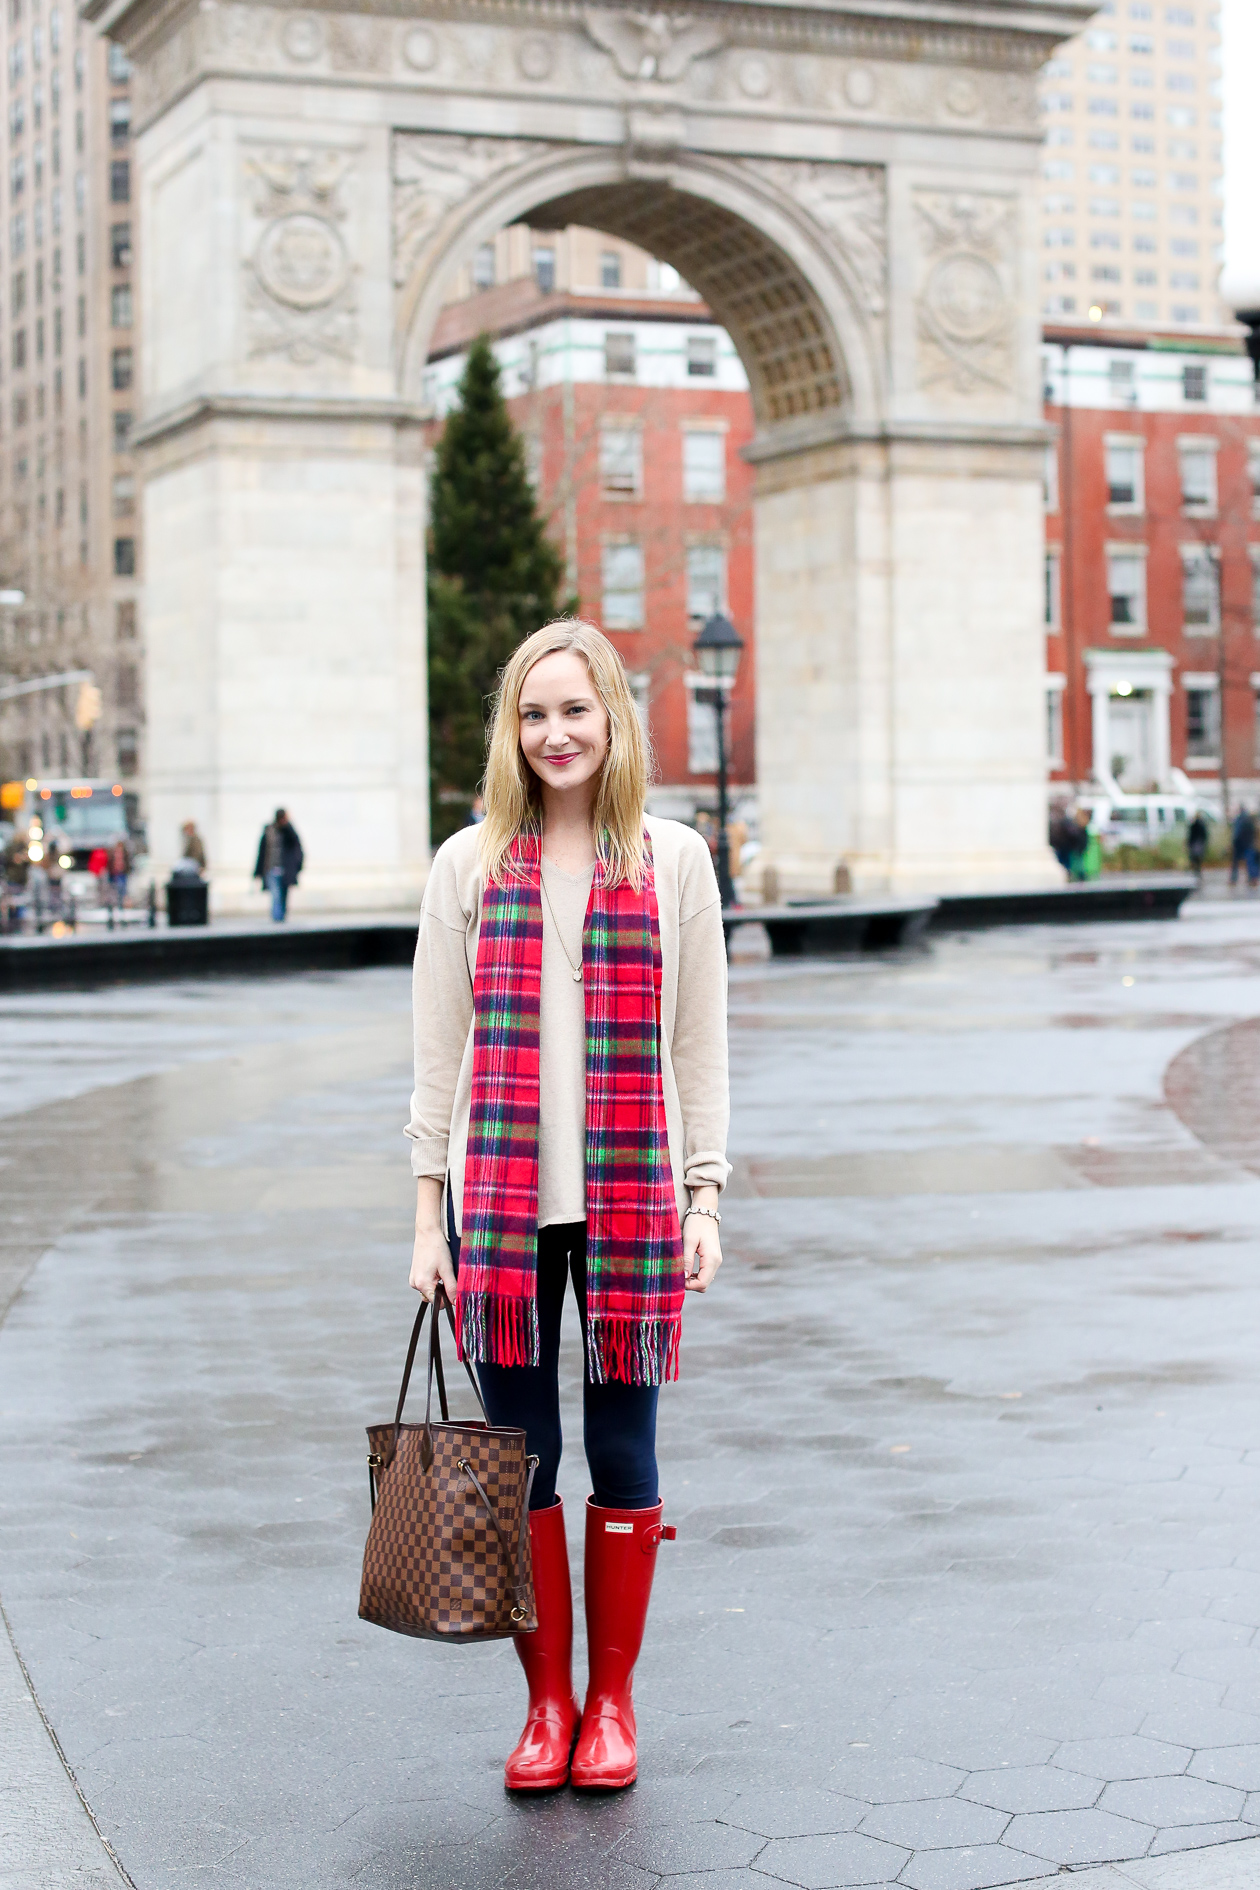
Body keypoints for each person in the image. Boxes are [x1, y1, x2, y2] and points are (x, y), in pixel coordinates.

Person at [406, 619, 729, 1795]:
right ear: (512, 728)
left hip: (633, 1198)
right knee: (524, 1457)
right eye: (533, 714)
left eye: (575, 712)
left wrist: (704, 1196)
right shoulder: (466, 865)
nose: (554, 734)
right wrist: (425, 1215)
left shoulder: (671, 859)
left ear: (615, 722)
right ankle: (546, 1706)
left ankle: (614, 1706)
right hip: (498, 1209)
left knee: (626, 1448)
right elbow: (439, 1052)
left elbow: (699, 1047)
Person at [252, 808, 303, 921]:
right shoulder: (269, 831)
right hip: (271, 868)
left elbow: (297, 848)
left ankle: (281, 916)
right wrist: (257, 871)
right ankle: (277, 918)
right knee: (276, 895)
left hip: (286, 870)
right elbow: (262, 852)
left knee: (283, 894)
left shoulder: (289, 831)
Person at [1230, 806, 1257, 890]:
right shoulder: (1249, 821)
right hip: (1248, 844)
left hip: (1240, 844)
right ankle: (1251, 879)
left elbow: (1237, 834)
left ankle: (1234, 879)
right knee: (1250, 863)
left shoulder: (1240, 821)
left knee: (1237, 862)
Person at [107, 835, 130, 906]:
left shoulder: (125, 853)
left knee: (122, 887)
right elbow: (110, 862)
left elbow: (127, 862)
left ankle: (122, 902)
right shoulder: (112, 852)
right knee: (114, 887)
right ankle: (116, 902)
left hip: (122, 872)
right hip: (114, 872)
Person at [1186, 810, 1208, 879]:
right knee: (1198, 858)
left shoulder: (1194, 824)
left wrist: (1189, 843)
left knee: (1194, 858)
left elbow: (1191, 835)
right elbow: (1205, 835)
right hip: (1199, 843)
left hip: (1195, 843)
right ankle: (1197, 871)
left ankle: (1196, 871)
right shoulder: (1202, 824)